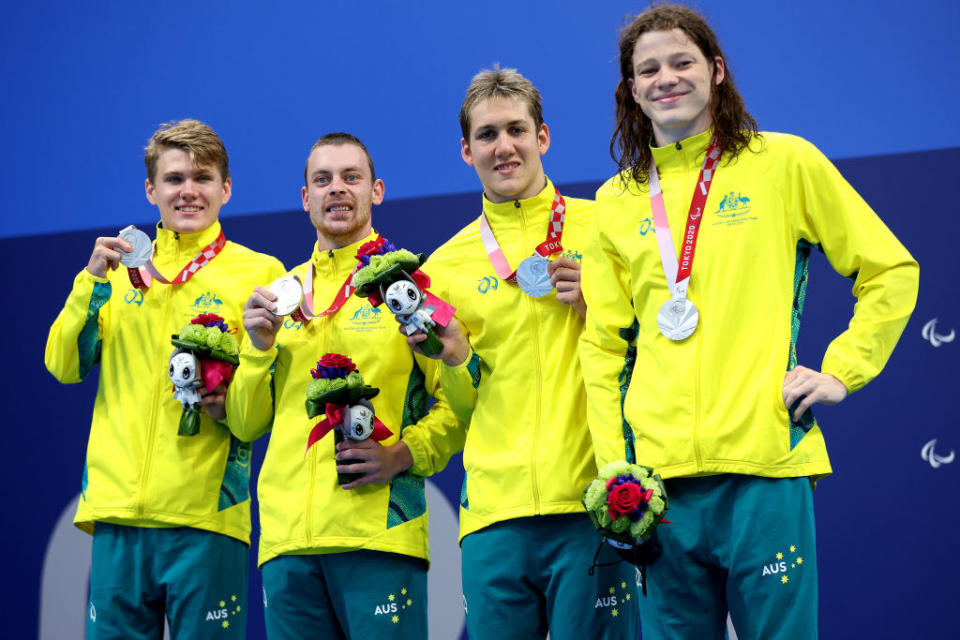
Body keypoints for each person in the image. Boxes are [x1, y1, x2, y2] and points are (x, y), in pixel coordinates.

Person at [579, 5, 920, 639]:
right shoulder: (616, 201)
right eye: (647, 69)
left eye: (682, 62)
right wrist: (615, 471)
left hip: (764, 471)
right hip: (659, 491)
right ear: (631, 90)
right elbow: (602, 347)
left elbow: (889, 270)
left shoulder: (784, 163)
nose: (666, 78)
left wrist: (843, 371)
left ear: (716, 70)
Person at [402, 67, 639, 640]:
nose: (503, 146)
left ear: (543, 137)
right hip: (493, 519)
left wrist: (599, 308)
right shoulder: (446, 265)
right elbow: (457, 408)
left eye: (516, 129)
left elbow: (656, 351)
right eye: (487, 135)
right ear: (466, 150)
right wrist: (456, 357)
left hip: (594, 503)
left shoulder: (607, 226)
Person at [44, 119, 285, 639]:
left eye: (203, 178)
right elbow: (63, 366)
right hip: (118, 515)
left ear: (226, 188)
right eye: (174, 179)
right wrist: (90, 283)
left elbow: (253, 417)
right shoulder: (116, 272)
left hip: (206, 518)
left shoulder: (259, 273)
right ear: (151, 190)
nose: (188, 191)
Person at [226, 132, 461, 639]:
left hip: (378, 537)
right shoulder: (279, 300)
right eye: (323, 179)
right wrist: (257, 349)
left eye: (351, 177)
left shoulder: (412, 289)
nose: (337, 189)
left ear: (376, 190)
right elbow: (244, 423)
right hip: (288, 545)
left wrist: (403, 454)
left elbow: (457, 401)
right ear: (305, 198)